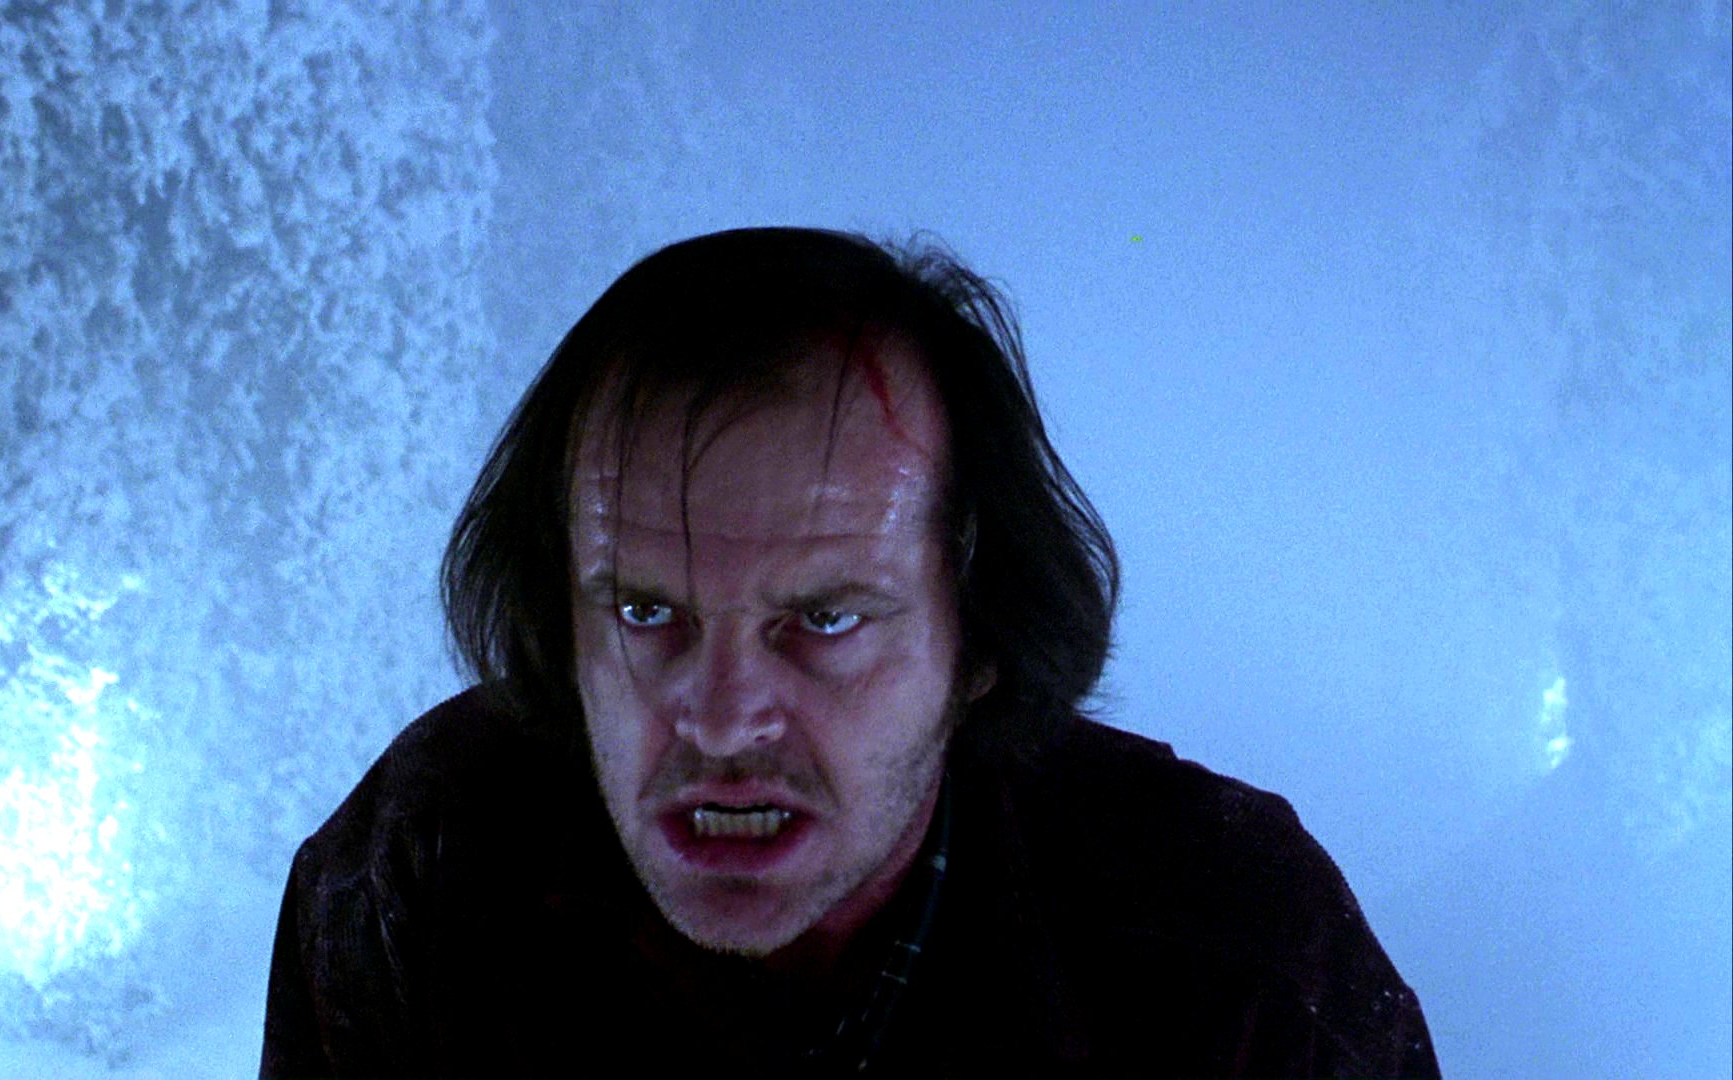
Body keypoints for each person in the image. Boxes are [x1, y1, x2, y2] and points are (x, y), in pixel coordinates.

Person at [260, 227, 1441, 1077]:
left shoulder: (1239, 956)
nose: (721, 718)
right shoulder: (423, 876)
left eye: (823, 621)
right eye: (646, 614)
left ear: (978, 636)